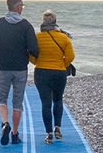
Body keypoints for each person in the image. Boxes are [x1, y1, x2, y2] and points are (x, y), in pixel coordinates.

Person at [0, 0, 38, 145]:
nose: (22, 8)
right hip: (20, 69)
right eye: (22, 5)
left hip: (3, 67)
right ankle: (15, 135)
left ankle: (5, 123)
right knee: (17, 102)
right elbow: (34, 49)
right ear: (17, 7)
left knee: (1, 99)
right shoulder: (26, 25)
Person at [30, 10, 75, 145]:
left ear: (43, 22)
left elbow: (31, 55)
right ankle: (58, 128)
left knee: (45, 103)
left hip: (41, 72)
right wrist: (62, 64)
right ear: (55, 22)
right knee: (58, 100)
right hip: (59, 73)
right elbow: (71, 56)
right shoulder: (63, 37)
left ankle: (48, 133)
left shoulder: (37, 37)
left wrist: (38, 63)